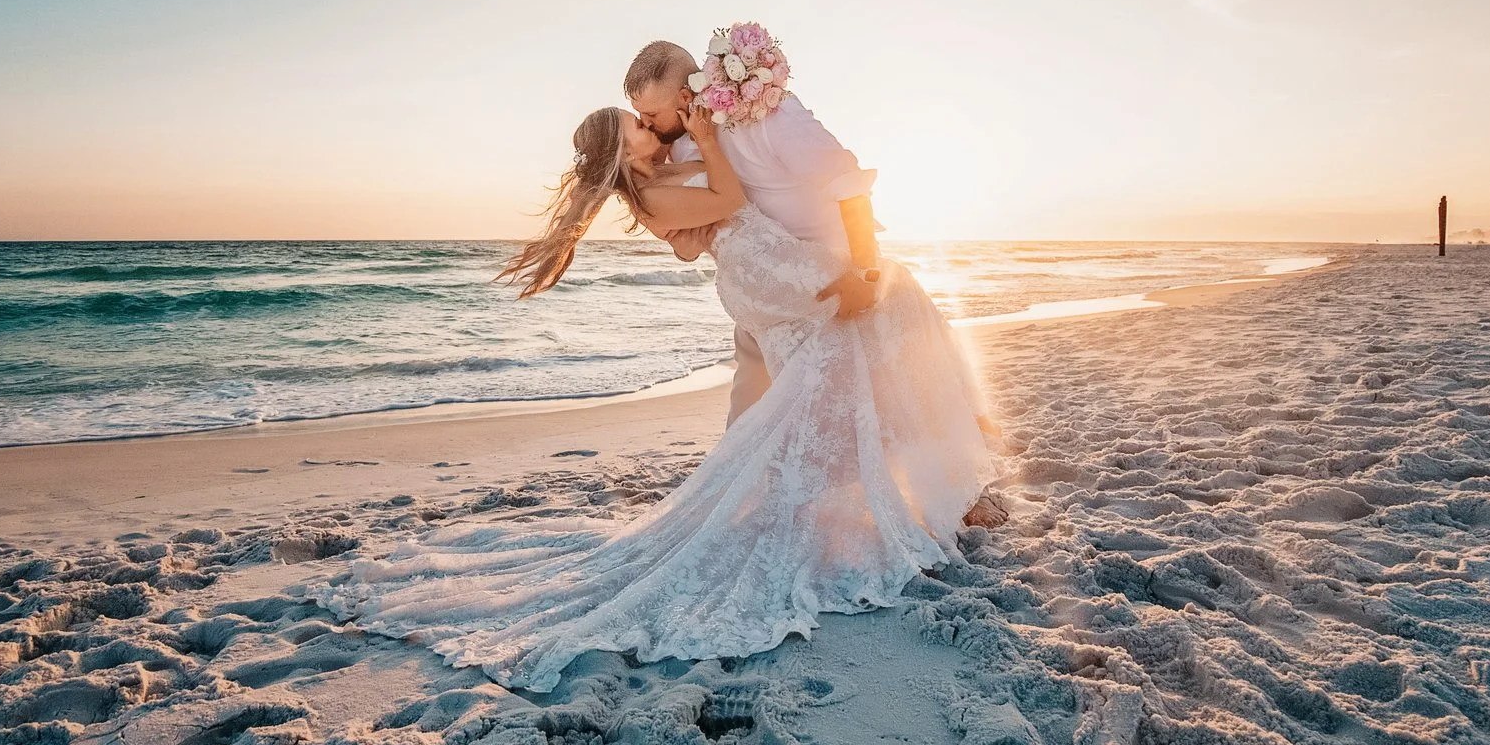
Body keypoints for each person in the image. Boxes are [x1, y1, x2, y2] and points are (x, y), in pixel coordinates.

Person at [311, 101, 996, 692]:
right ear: (621, 149)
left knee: (855, 349)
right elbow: (727, 202)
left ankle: (899, 485)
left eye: (643, 117)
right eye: (633, 124)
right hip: (767, 270)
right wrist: (715, 141)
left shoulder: (661, 175)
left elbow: (706, 228)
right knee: (875, 318)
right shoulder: (652, 192)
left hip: (762, 263)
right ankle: (903, 488)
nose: (646, 124)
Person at [623, 39, 881, 426]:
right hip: (759, 299)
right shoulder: (676, 148)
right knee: (747, 421)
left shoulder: (770, 114)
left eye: (651, 114)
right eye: (638, 115)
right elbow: (690, 235)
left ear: (683, 96)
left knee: (848, 410)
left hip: (830, 282)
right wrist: (682, 241)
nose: (645, 124)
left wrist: (865, 270)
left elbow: (848, 181)